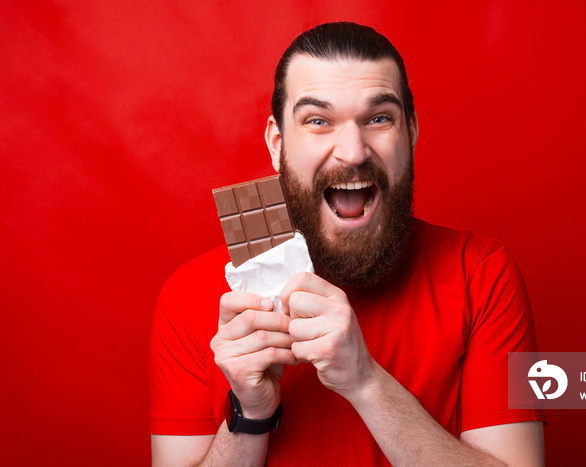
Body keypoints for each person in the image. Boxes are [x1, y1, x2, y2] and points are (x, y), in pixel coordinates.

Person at [150, 22, 545, 466]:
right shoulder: (188, 297)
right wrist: (250, 413)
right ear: (277, 144)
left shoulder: (484, 275)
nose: (353, 151)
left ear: (410, 134)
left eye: (379, 118)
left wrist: (365, 381)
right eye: (318, 121)